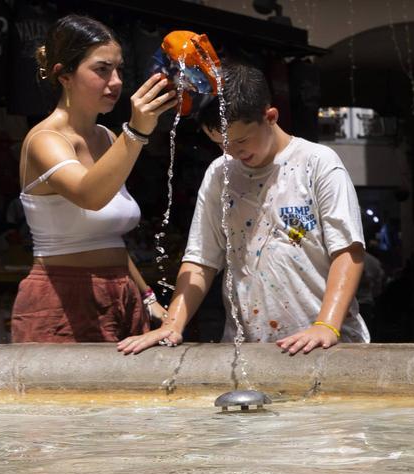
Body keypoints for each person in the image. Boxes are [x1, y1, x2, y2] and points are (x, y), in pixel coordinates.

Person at [118, 63, 369, 356]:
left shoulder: (317, 163)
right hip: (250, 347)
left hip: (328, 343)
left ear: (270, 116)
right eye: (220, 144)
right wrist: (173, 323)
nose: (232, 152)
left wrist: (327, 325)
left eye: (240, 141)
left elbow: (348, 250)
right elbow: (201, 259)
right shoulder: (219, 173)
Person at [13, 14, 176, 342]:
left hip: (122, 294)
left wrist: (147, 297)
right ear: (64, 75)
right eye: (102, 69)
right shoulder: (46, 139)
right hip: (61, 300)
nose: (116, 81)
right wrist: (137, 131)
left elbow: (109, 238)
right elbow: (89, 195)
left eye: (118, 69)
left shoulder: (107, 137)